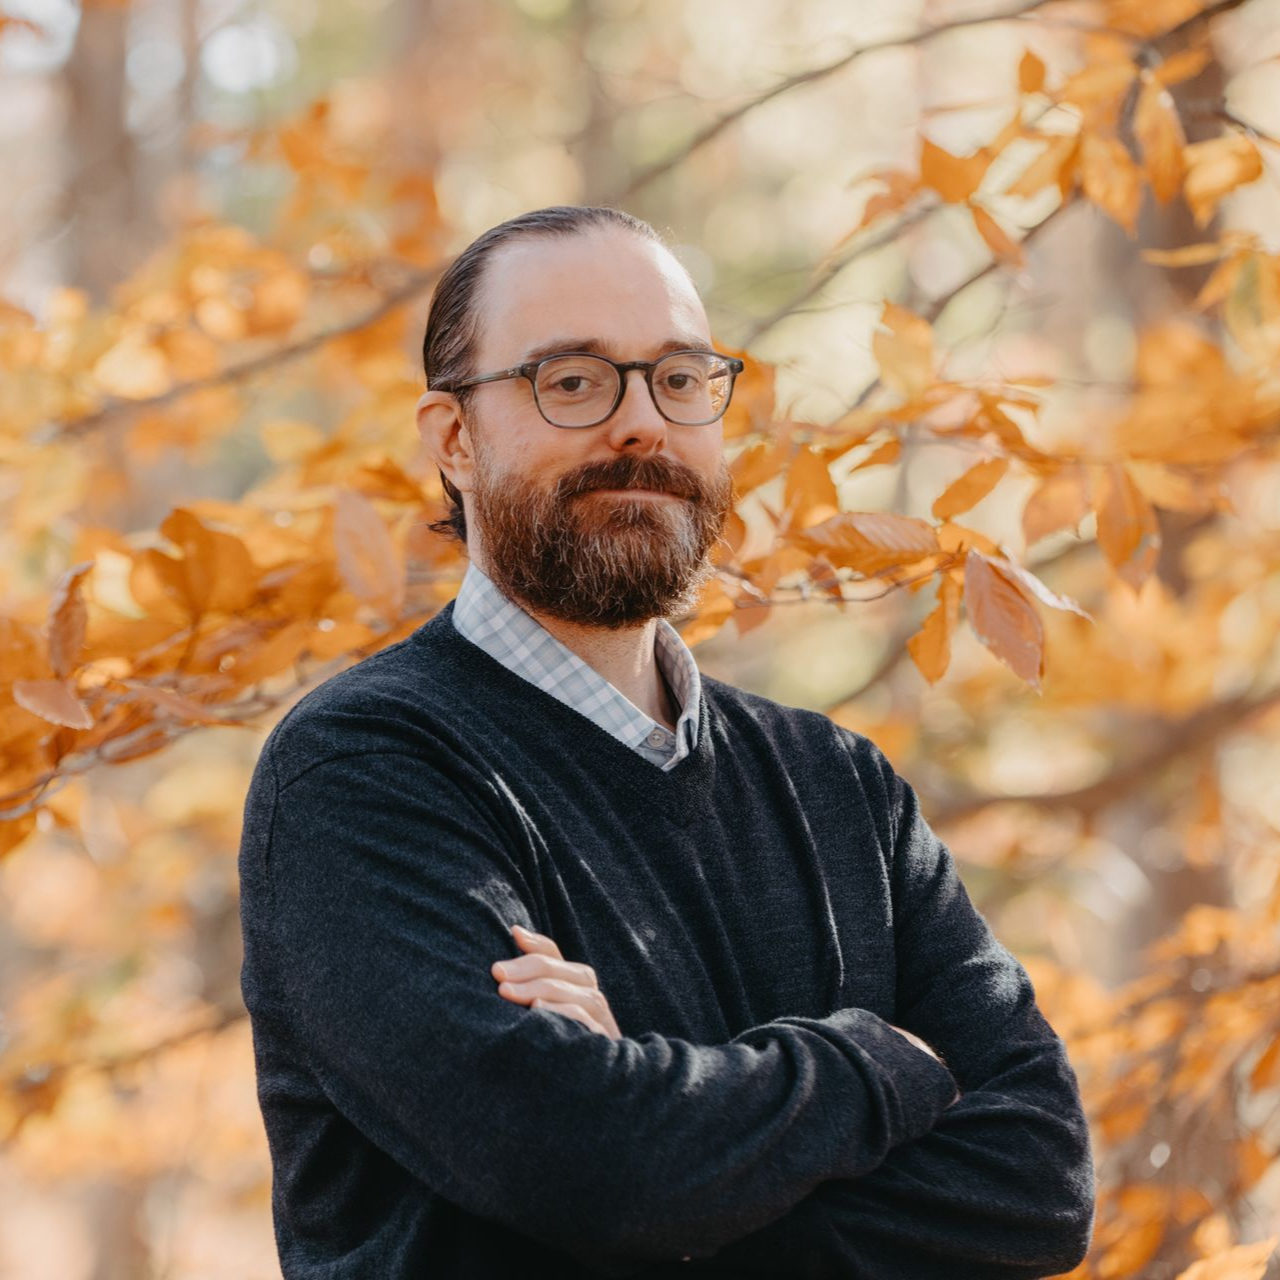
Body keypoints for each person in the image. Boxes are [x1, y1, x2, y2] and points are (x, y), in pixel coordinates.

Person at [237, 204, 1095, 1279]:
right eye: (572, 380)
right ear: (453, 439)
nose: (639, 422)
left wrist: (653, 1128)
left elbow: (1039, 1183)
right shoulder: (365, 770)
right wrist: (877, 1062)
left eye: (679, 378)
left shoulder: (841, 786)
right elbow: (573, 1160)